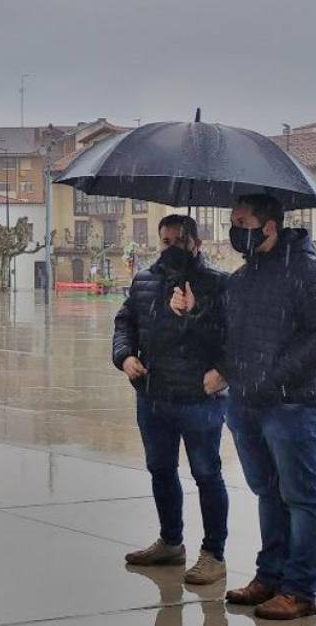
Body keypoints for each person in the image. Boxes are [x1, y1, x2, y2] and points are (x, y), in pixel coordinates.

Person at [174, 194, 316, 619]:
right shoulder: (244, 277)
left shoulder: (307, 272)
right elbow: (225, 333)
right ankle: (269, 575)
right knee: (267, 493)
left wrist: (271, 376)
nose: (235, 230)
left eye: (241, 222)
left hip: (291, 405)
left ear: (268, 226)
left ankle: (302, 586)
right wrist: (192, 312)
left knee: (302, 497)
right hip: (246, 405)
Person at [113, 215, 228, 585]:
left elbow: (230, 337)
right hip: (153, 396)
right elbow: (125, 322)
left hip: (199, 399)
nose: (171, 247)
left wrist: (194, 312)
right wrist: (125, 355)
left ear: (195, 242)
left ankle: (213, 553)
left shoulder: (217, 283)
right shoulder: (144, 280)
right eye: (165, 241)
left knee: (207, 474)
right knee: (160, 470)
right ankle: (170, 541)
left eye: (179, 241)